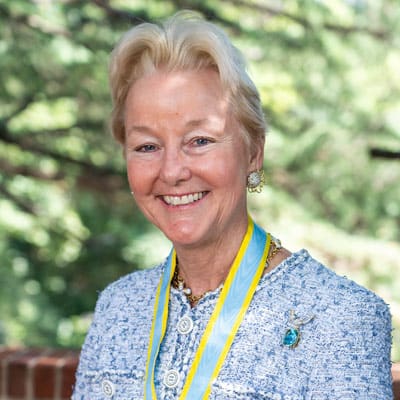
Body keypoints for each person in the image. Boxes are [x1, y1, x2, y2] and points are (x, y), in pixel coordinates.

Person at [72, 11, 392, 399]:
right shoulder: (117, 308)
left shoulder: (339, 318)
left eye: (200, 140)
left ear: (254, 152)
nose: (172, 170)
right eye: (147, 147)